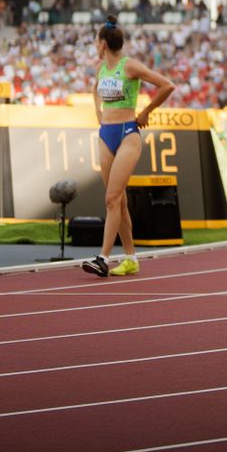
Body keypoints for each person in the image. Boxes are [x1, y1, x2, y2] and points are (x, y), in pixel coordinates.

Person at [82, 15, 176, 278]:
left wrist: (145, 112)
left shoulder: (129, 66)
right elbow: (94, 89)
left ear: (102, 44)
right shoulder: (101, 68)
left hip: (127, 134)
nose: (94, 45)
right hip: (106, 134)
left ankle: (103, 258)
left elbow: (167, 85)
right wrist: (98, 113)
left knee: (111, 198)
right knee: (119, 201)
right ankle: (131, 258)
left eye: (95, 41)